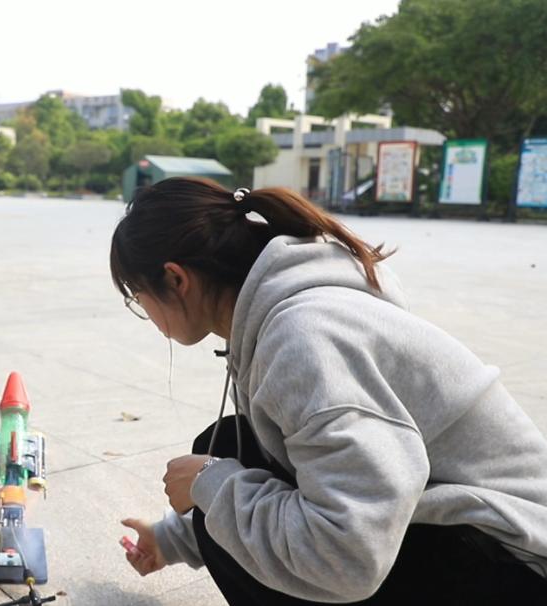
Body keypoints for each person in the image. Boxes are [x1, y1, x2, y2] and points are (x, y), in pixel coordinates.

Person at [113, 178, 547, 604]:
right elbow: (298, 468)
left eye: (137, 296)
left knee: (218, 465)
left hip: (515, 562)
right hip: (464, 535)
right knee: (227, 446)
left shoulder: (304, 339)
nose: (144, 312)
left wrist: (213, 486)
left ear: (175, 279)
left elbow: (349, 558)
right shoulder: (284, 314)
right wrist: (174, 538)